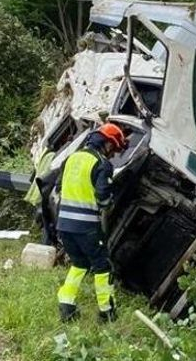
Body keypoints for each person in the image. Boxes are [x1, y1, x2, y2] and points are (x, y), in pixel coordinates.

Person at [55, 123, 127, 323]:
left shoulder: (72, 158)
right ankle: (107, 312)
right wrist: (108, 202)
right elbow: (103, 195)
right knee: (102, 266)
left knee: (79, 264)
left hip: (64, 224)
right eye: (114, 149)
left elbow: (58, 186)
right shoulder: (102, 164)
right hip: (86, 226)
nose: (113, 155)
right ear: (108, 144)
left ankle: (66, 305)